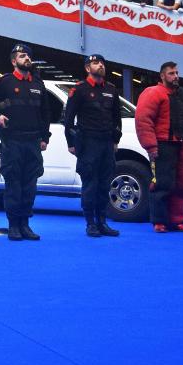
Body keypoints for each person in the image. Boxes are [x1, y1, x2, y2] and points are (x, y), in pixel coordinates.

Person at [0, 44, 52, 240]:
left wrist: (45, 137)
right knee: (14, 186)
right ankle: (13, 226)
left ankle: (25, 225)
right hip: (12, 142)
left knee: (30, 186)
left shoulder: (38, 84)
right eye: (22, 56)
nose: (26, 58)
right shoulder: (4, 82)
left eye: (28, 55)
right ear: (14, 61)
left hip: (33, 142)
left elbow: (45, 113)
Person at [135, 61, 183, 233]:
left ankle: (177, 220)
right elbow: (143, 120)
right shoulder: (153, 93)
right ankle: (159, 221)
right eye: (171, 73)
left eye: (177, 73)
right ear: (162, 76)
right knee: (162, 184)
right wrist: (150, 146)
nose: (175, 76)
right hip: (162, 146)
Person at [62, 54, 122, 237]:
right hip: (88, 143)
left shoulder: (111, 89)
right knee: (90, 184)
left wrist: (115, 140)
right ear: (88, 68)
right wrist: (71, 142)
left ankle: (102, 222)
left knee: (104, 184)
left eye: (102, 62)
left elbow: (116, 118)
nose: (101, 65)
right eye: (96, 63)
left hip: (106, 144)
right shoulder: (79, 90)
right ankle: (90, 224)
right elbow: (69, 118)